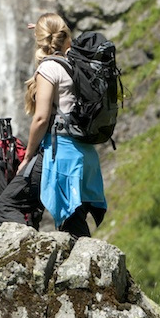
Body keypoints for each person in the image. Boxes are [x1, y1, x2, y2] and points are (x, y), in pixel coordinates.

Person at [19, 13, 107, 237]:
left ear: (40, 41)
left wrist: (28, 156)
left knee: (72, 225)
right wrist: (44, 25)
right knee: (76, 223)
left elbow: (40, 118)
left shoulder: (49, 68)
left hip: (65, 154)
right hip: (86, 154)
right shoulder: (77, 64)